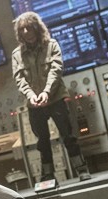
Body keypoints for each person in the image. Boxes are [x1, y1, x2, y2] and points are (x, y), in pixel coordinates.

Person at [12, 11, 91, 182]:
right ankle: (48, 175)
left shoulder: (52, 45)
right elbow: (19, 80)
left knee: (68, 136)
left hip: (55, 98)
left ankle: (81, 169)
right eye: (22, 29)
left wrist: (47, 92)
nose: (26, 32)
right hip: (34, 103)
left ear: (37, 28)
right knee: (42, 142)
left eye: (29, 27)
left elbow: (56, 70)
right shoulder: (17, 55)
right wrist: (31, 96)